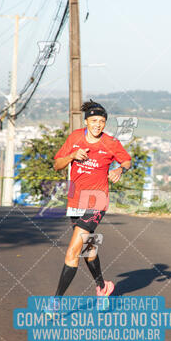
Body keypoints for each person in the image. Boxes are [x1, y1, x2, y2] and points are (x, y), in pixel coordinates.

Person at [52, 99, 132, 299]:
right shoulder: (75, 138)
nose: (98, 124)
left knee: (73, 251)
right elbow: (57, 165)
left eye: (102, 121)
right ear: (86, 122)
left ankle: (55, 303)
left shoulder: (111, 143)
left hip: (97, 200)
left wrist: (120, 169)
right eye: (94, 120)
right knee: (88, 247)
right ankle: (103, 286)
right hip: (75, 199)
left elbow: (127, 160)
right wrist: (72, 155)